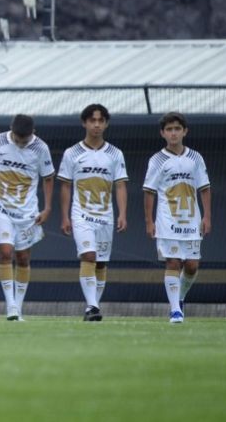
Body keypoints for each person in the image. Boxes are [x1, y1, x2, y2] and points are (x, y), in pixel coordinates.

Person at [58, 104, 128, 322]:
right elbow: (66, 186)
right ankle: (92, 305)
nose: (96, 125)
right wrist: (65, 216)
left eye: (100, 120)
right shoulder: (72, 153)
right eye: (92, 120)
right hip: (81, 215)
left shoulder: (115, 154)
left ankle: (92, 309)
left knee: (101, 263)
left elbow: (120, 185)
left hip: (105, 216)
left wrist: (122, 214)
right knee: (88, 255)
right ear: (84, 123)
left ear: (106, 123)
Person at [143, 112, 211, 323]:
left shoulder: (195, 158)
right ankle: (175, 311)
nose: (173, 133)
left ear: (184, 131)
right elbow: (148, 191)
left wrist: (207, 216)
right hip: (167, 220)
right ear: (163, 133)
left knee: (191, 266)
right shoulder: (157, 159)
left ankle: (179, 298)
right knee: (172, 262)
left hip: (191, 221)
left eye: (177, 129)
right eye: (169, 129)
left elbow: (205, 188)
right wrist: (149, 221)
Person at [0, 114, 54, 321]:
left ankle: (19, 305)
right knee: (6, 252)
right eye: (17, 139)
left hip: (27, 212)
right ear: (11, 130)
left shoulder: (41, 148)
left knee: (23, 257)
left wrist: (47, 208)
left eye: (24, 140)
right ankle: (11, 307)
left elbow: (48, 177)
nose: (19, 143)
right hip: (2, 208)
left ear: (32, 134)